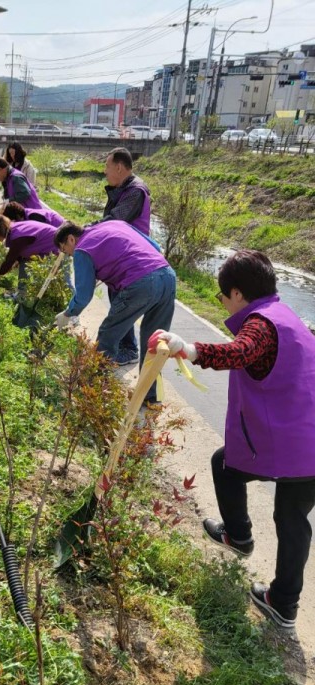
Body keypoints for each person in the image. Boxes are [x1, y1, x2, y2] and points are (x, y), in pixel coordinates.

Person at [150, 250, 315, 629]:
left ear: (238, 294)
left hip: (284, 441)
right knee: (293, 521)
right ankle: (284, 605)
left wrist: (188, 349)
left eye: (223, 296)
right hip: (310, 442)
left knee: (224, 465)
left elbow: (240, 352)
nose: (223, 303)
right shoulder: (290, 317)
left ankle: (239, 536)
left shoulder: (260, 325)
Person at [53, 220, 176, 404]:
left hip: (140, 283)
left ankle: (94, 391)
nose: (69, 255)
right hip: (167, 275)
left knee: (107, 335)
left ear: (71, 239)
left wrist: (68, 313)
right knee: (154, 341)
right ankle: (149, 397)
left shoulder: (82, 249)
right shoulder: (114, 223)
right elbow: (157, 247)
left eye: (65, 250)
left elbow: (84, 295)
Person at [99, 147, 154, 366]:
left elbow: (114, 220)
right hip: (122, 256)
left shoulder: (135, 191)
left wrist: (88, 230)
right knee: (116, 299)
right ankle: (125, 345)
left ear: (119, 168)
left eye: (107, 166)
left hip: (133, 259)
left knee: (122, 302)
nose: (105, 171)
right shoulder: (123, 188)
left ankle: (130, 349)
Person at [0, 214, 59, 294]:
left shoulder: (18, 236)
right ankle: (22, 293)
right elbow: (18, 256)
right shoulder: (14, 229)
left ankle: (25, 295)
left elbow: (9, 261)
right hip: (50, 245)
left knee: (54, 277)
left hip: (58, 246)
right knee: (25, 262)